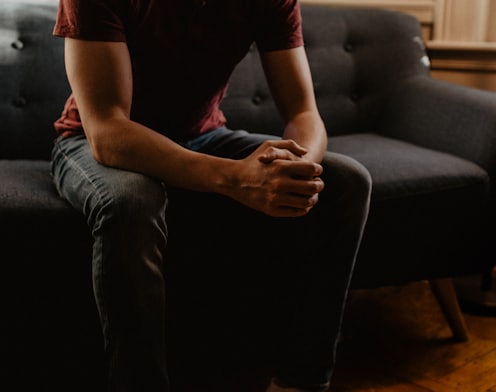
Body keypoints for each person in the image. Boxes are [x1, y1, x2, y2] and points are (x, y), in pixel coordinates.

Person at [51, 0, 371, 391]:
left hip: (204, 137)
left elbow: (304, 112)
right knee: (132, 202)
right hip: (92, 140)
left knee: (347, 182)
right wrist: (237, 179)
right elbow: (107, 131)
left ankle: (300, 382)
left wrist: (296, 169)